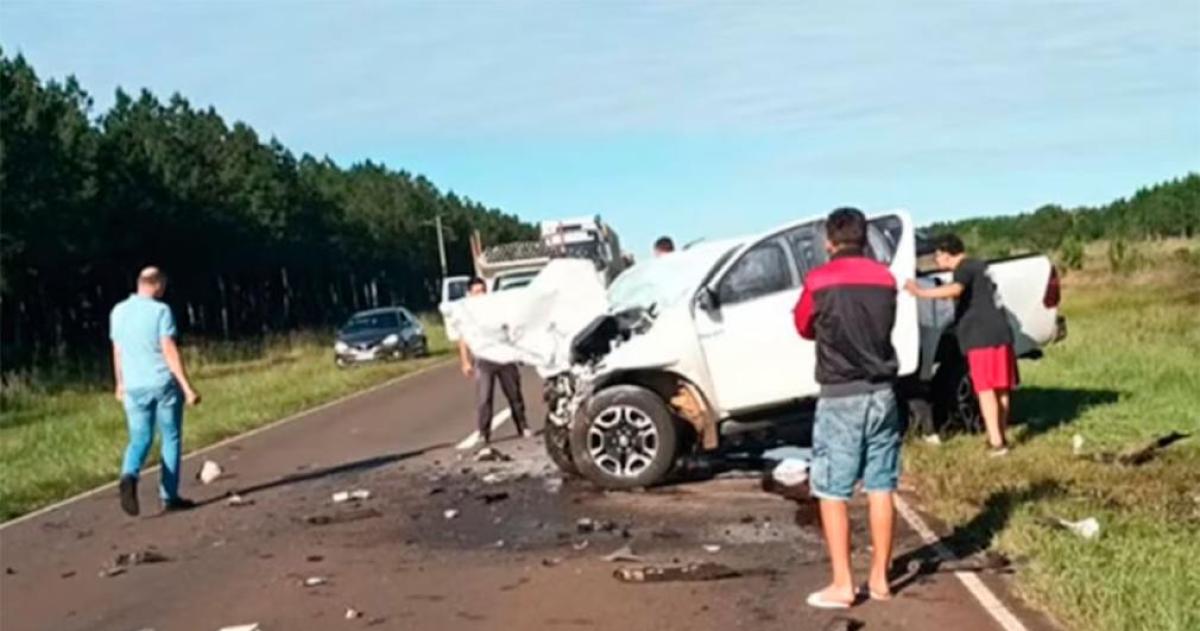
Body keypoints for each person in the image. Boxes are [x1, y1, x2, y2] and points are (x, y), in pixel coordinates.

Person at [793, 208, 901, 609]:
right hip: (883, 392)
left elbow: (803, 325)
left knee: (832, 490)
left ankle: (842, 584)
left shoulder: (819, 281)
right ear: (865, 237)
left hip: (841, 394)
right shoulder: (884, 279)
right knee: (881, 485)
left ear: (829, 241)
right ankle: (880, 579)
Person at [904, 234, 1017, 456]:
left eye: (937, 256)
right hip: (1000, 332)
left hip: (980, 335)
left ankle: (996, 443)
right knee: (1001, 388)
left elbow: (955, 290)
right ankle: (1001, 434)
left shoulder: (963, 268)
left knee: (985, 389)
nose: (935, 261)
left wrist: (921, 292)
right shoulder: (980, 266)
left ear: (946, 253)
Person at [110, 267, 200, 516]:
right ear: (158, 285)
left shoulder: (118, 311)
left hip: (133, 386)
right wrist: (186, 386)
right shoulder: (161, 311)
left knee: (139, 438)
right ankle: (168, 495)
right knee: (170, 436)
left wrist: (119, 382)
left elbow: (117, 350)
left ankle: (129, 474)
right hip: (161, 382)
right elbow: (168, 349)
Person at [458, 277, 529, 446]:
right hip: (483, 360)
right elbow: (463, 339)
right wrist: (465, 361)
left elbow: (511, 329)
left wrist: (518, 353)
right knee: (484, 398)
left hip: (504, 356)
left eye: (482, 291)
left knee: (514, 394)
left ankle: (523, 425)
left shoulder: (497, 308)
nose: (480, 295)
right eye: (476, 292)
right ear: (469, 294)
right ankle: (484, 433)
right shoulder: (467, 314)